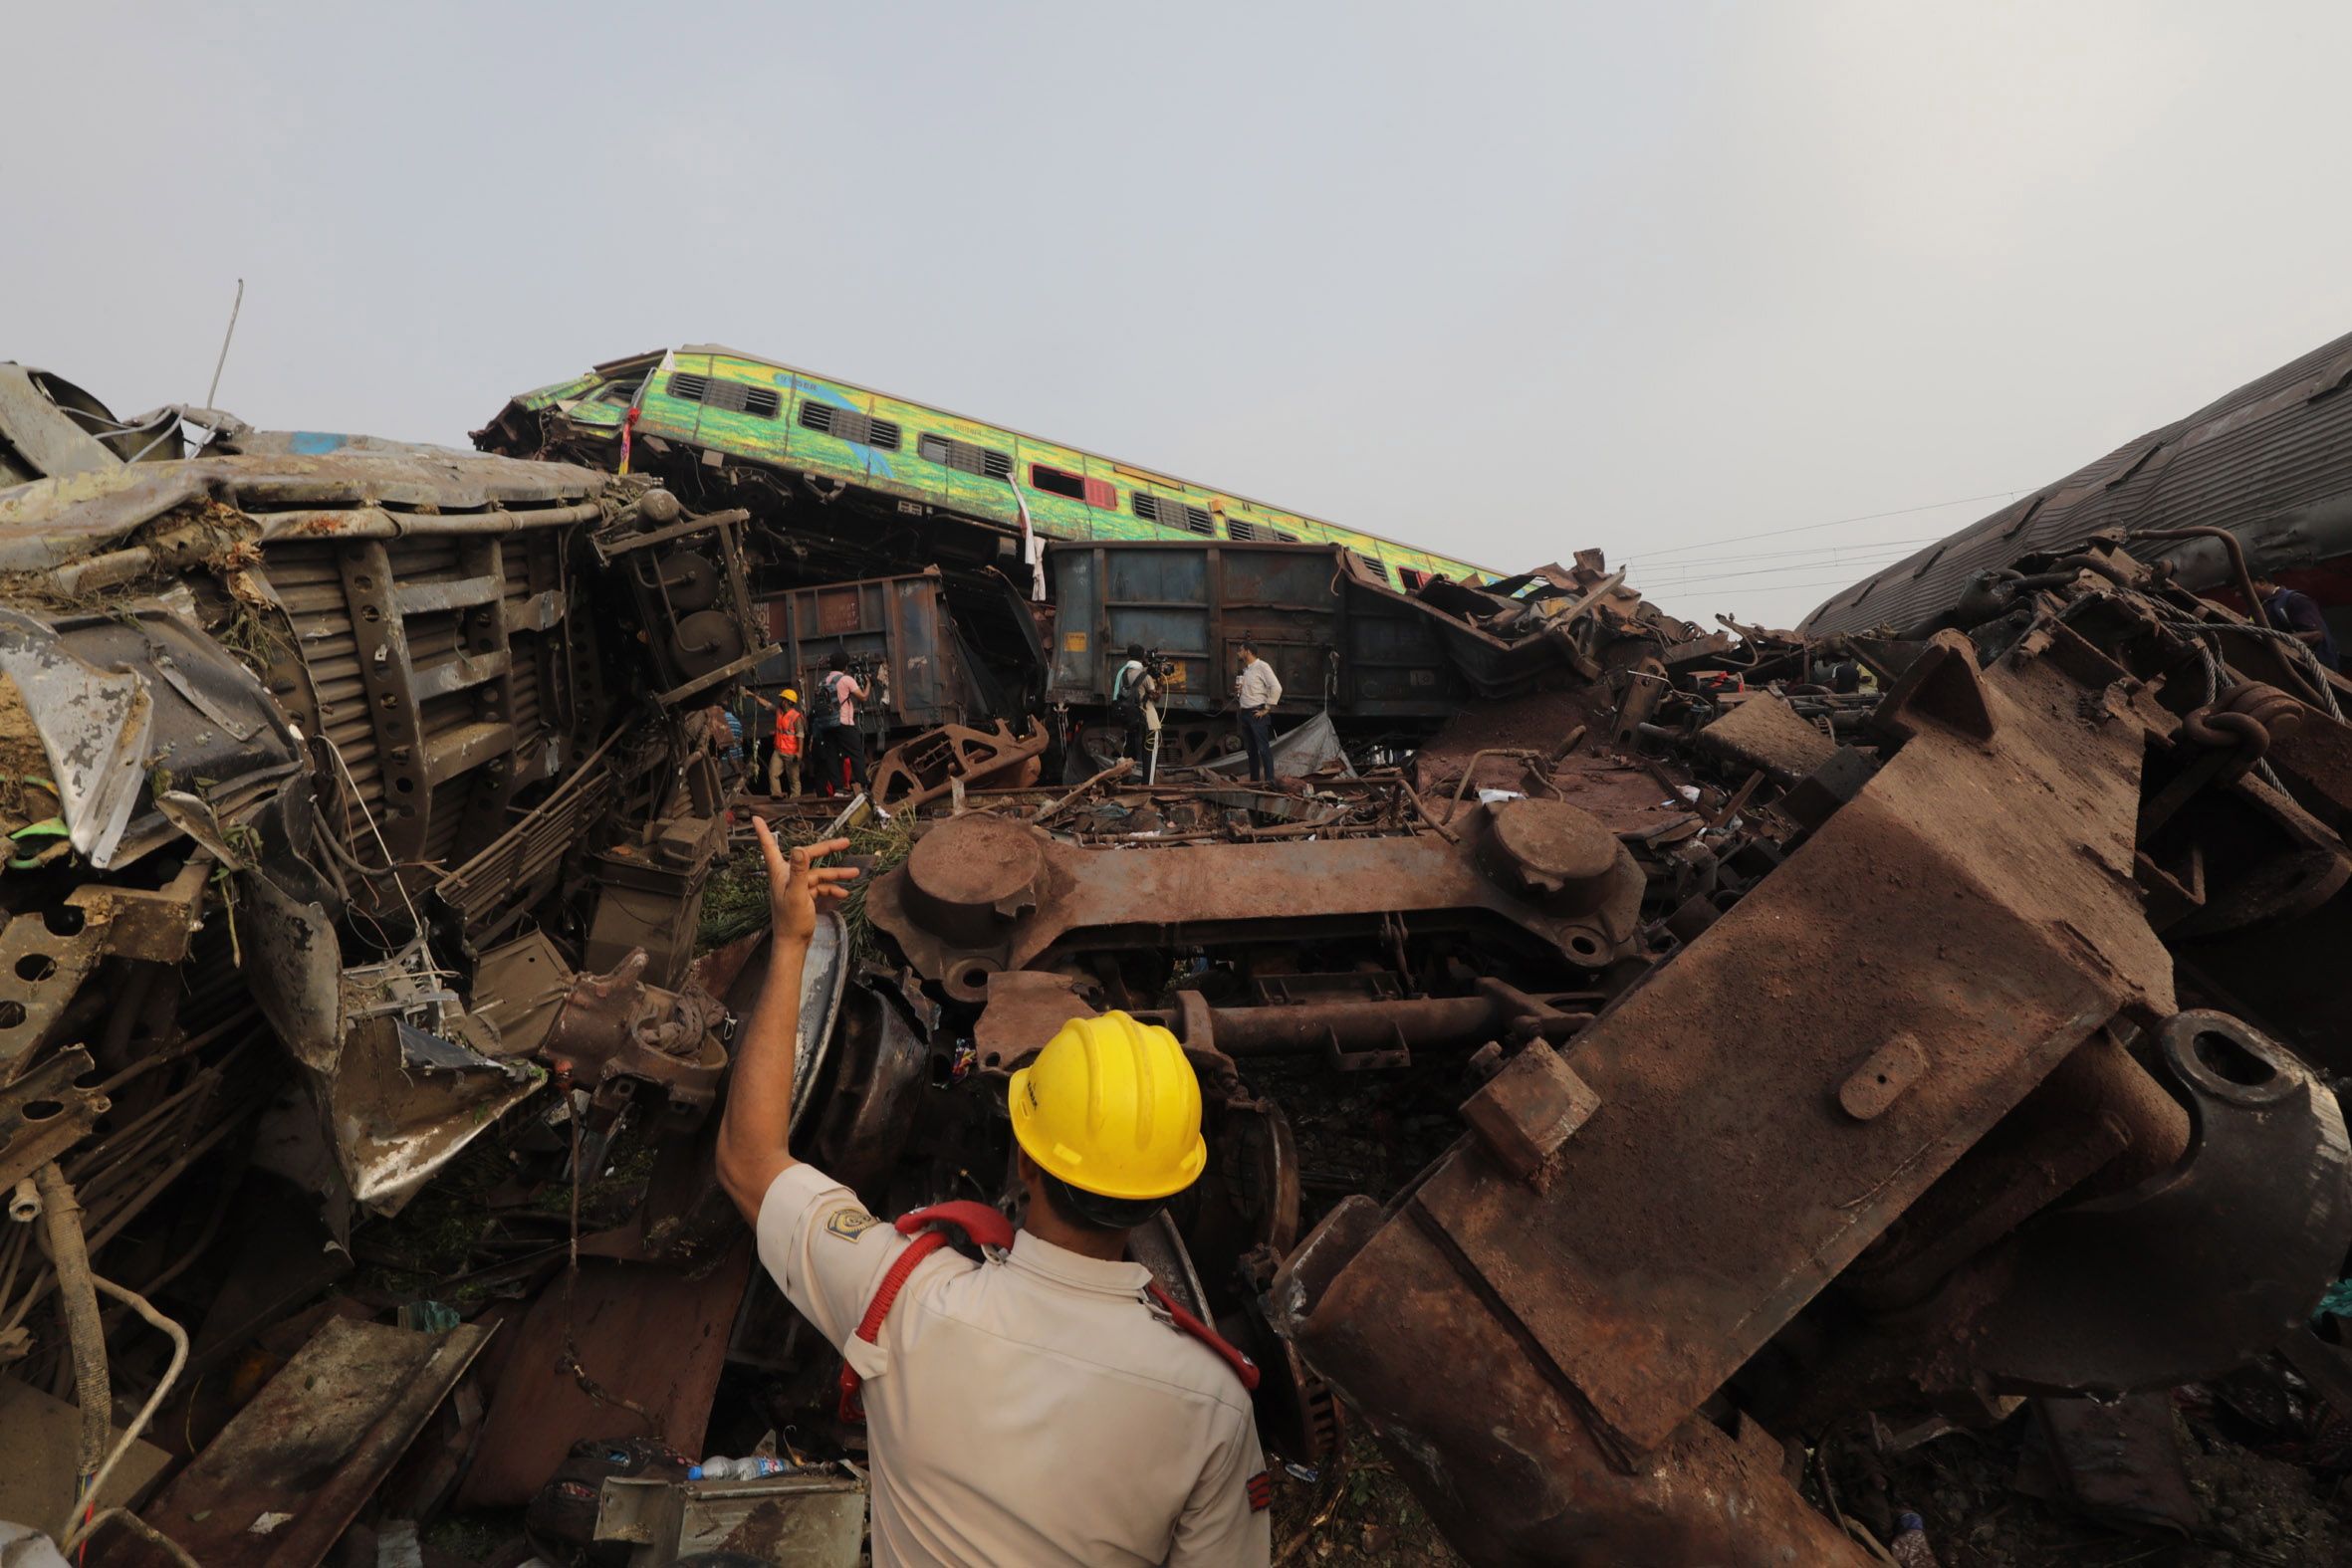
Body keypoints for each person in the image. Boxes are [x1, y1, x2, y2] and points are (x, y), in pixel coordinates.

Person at [716, 831, 1272, 1568]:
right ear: (1168, 1190)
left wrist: (793, 941)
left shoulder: (900, 1298)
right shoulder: (1215, 1407)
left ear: (1025, 1160)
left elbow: (748, 1158)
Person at [816, 658, 887, 793]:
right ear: (845, 666)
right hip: (844, 723)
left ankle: (837, 789)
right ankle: (863, 785)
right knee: (856, 754)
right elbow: (863, 697)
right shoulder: (846, 679)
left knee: (832, 756)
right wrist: (868, 684)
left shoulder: (823, 681)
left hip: (827, 724)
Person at [2252, 575, 2342, 672]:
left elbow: (2316, 635)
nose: (2238, 594)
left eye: (2239, 589)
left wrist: (2279, 641)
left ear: (2262, 582)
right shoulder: (2253, 610)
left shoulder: (2295, 600)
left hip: (2316, 671)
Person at [1232, 639, 1283, 785]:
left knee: (1263, 748)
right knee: (1251, 750)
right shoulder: (1246, 670)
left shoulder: (1262, 666)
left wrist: (1266, 708)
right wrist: (1240, 691)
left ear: (1248, 651)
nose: (1238, 653)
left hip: (1256, 712)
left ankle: (1269, 780)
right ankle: (1254, 781)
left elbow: (1276, 687)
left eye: (1241, 650)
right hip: (1245, 713)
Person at [1112, 643, 1159, 766]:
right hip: (1147, 719)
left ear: (1128, 656)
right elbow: (1156, 697)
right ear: (1143, 657)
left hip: (1130, 719)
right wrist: (1161, 686)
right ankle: (1147, 784)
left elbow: (1115, 698)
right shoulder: (1145, 676)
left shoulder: (1121, 673)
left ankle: (1123, 779)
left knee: (1128, 751)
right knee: (1149, 754)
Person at [768, 687, 806, 797]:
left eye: (783, 699)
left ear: (788, 702)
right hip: (778, 751)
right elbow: (767, 705)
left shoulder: (796, 717)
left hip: (791, 753)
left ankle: (795, 801)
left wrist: (800, 752)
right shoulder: (779, 711)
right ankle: (777, 796)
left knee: (794, 780)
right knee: (773, 773)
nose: (781, 701)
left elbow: (800, 735)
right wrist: (752, 695)